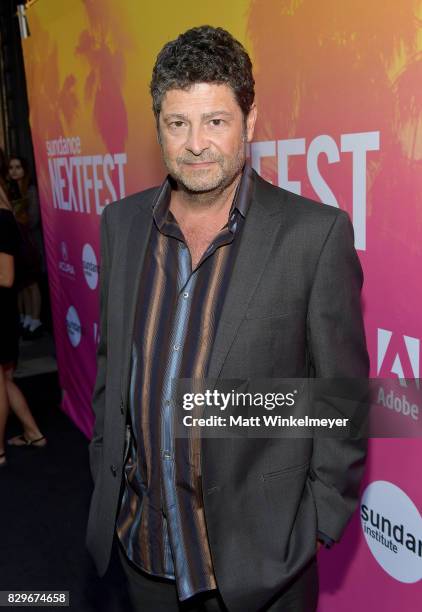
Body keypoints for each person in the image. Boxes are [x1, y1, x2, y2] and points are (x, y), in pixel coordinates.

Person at [86, 26, 369, 612]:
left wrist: (315, 519)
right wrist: (105, 472)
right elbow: (114, 369)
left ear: (250, 120)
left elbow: (339, 397)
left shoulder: (313, 236)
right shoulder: (121, 224)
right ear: (158, 125)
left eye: (215, 121)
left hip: (259, 566)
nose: (195, 144)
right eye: (177, 123)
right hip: (143, 548)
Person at [0, 198, 47, 467]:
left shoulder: (2, 218)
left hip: (1, 309)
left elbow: (6, 277)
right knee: (5, 379)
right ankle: (33, 432)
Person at [8, 156, 44, 340]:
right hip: (17, 244)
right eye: (11, 167)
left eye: (18, 167)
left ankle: (36, 319)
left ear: (25, 169)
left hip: (31, 244)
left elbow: (34, 219)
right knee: (23, 284)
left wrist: (17, 215)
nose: (14, 171)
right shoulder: (10, 191)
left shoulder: (30, 191)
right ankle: (28, 317)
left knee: (32, 283)